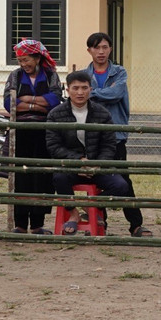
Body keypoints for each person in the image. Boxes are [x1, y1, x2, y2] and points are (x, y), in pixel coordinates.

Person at [46, 70, 146, 236]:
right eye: (75, 88)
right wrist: (78, 161)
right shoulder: (55, 114)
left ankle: (90, 205)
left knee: (121, 186)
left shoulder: (102, 113)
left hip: (96, 167)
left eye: (84, 88)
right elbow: (54, 146)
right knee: (58, 178)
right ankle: (73, 213)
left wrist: (96, 164)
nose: (80, 92)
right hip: (71, 167)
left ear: (90, 89)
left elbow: (109, 144)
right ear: (67, 90)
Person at [3, 39, 62, 234]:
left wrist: (26, 100)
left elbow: (55, 100)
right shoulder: (15, 75)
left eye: (26, 60)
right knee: (21, 176)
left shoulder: (51, 75)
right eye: (20, 61)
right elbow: (9, 102)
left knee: (42, 176)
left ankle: (37, 224)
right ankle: (20, 224)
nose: (23, 64)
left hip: (45, 132)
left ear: (37, 58)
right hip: (20, 132)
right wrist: (38, 104)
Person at [85, 32, 139, 214]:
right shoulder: (84, 75)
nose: (101, 52)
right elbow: (82, 98)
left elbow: (116, 94)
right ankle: (100, 219)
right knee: (97, 176)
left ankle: (135, 223)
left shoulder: (119, 72)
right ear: (89, 50)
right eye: (96, 48)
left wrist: (92, 93)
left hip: (116, 133)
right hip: (92, 135)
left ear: (110, 49)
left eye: (105, 47)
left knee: (123, 177)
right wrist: (104, 92)